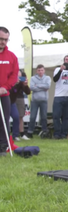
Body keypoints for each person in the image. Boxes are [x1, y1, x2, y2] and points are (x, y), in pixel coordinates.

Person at [0, 26, 19, 156]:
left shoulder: (11, 57)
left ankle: (2, 147)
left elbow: (14, 75)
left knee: (4, 120)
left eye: (6, 40)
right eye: (1, 39)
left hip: (4, 94)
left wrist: (5, 87)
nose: (3, 42)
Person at [26, 64, 51, 138]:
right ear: (37, 71)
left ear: (44, 70)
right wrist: (42, 86)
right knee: (32, 117)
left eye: (42, 70)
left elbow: (48, 86)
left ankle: (44, 132)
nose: (40, 72)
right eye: (39, 70)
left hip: (44, 100)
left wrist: (37, 85)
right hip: (35, 100)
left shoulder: (47, 77)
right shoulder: (33, 78)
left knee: (44, 117)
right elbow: (32, 88)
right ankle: (30, 132)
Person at [10, 70, 31, 141]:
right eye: (17, 76)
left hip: (12, 102)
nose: (19, 78)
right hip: (6, 101)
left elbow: (28, 92)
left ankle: (15, 135)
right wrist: (15, 83)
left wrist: (25, 85)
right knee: (5, 119)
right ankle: (5, 135)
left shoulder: (20, 82)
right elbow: (10, 91)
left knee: (17, 117)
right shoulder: (10, 79)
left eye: (20, 77)